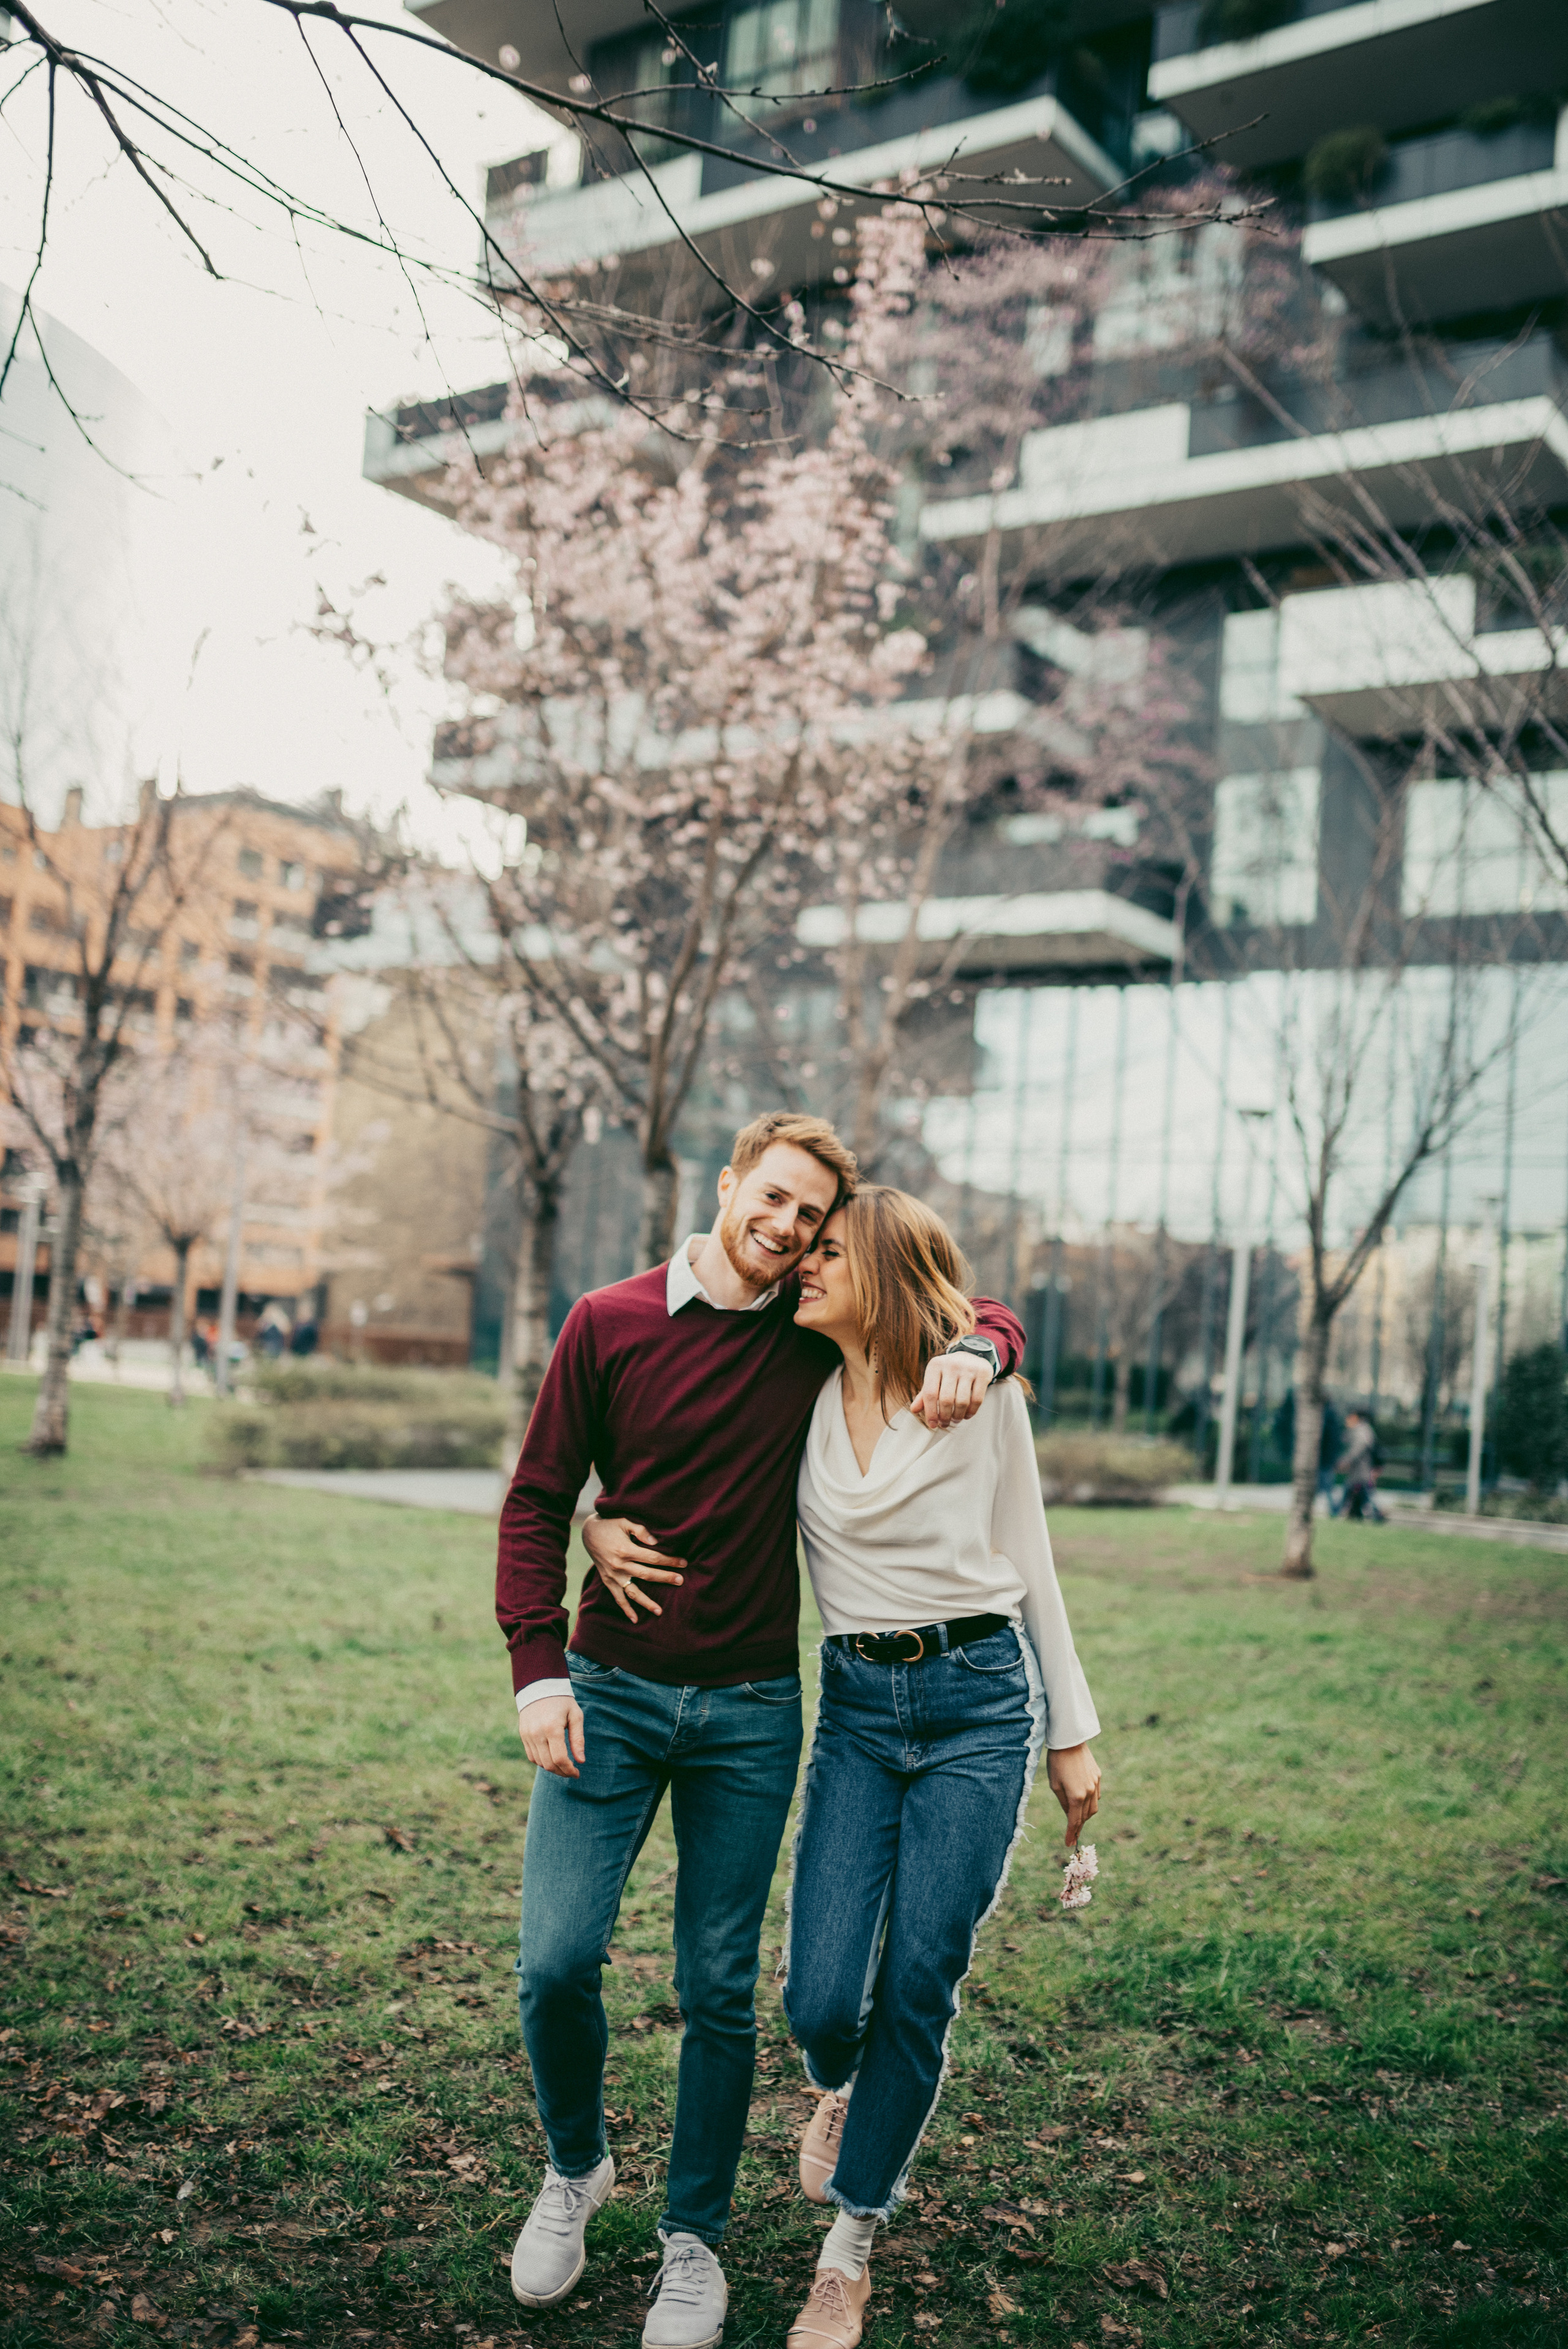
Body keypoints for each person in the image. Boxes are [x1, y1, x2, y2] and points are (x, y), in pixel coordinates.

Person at [497, 1113, 1023, 2349]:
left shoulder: (805, 1331)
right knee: (555, 1961)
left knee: (718, 1989)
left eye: (810, 1217)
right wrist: (538, 1667)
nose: (787, 1229)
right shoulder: (606, 1320)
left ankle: (693, 2240)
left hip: (749, 1710)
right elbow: (537, 1497)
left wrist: (984, 1343)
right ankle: (574, 2166)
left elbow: (965, 1304)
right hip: (607, 1688)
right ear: (728, 1183)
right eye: (773, 1198)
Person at [778, 1189, 1099, 2349]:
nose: (804, 1264)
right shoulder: (793, 1387)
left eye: (827, 1251)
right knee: (820, 1997)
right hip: (858, 1709)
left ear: (881, 1267)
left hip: (980, 1703)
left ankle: (848, 2250)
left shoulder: (979, 1390)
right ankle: (843, 2081)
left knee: (921, 1977)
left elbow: (1032, 1555)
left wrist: (1072, 1731)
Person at [1337, 1410, 1384, 1522]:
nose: (1347, 1421)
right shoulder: (1361, 1429)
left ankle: (1336, 1511)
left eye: (1349, 1418)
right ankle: (1359, 1514)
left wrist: (1346, 1460)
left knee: (1359, 1491)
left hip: (1362, 1469)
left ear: (1355, 1417)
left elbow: (1358, 1448)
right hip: (1360, 1469)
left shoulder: (1362, 1430)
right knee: (1359, 1492)